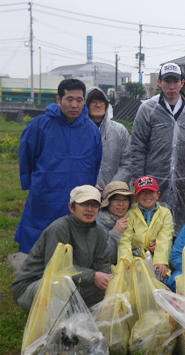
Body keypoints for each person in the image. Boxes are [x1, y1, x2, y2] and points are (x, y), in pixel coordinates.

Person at [15, 78, 102, 254]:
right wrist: (32, 183)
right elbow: (27, 156)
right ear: (58, 99)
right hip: (46, 191)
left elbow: (96, 162)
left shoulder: (91, 130)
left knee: (74, 235)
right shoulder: (40, 125)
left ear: (84, 101)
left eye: (79, 100)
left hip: (78, 193)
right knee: (40, 233)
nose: (74, 105)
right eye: (69, 99)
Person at [128, 62, 185, 235]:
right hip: (155, 183)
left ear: (182, 83)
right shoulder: (147, 109)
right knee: (154, 233)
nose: (171, 87)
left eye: (175, 81)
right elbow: (137, 148)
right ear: (159, 83)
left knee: (184, 232)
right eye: (167, 82)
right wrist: (137, 181)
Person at [12, 185, 112, 311]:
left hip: (74, 283)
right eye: (84, 204)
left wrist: (107, 277)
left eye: (94, 205)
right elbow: (56, 269)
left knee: (116, 283)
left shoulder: (98, 231)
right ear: (71, 207)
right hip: (35, 285)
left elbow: (103, 262)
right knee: (59, 286)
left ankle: (80, 317)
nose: (90, 209)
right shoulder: (59, 228)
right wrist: (93, 276)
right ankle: (62, 325)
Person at [118, 176, 174, 282]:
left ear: (158, 195)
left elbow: (165, 238)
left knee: (161, 279)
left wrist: (160, 261)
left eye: (151, 192)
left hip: (155, 259)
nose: (147, 195)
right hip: (135, 259)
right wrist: (127, 262)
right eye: (143, 192)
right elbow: (125, 241)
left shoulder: (165, 213)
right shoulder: (130, 214)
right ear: (136, 197)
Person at [86, 87, 131, 190]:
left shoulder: (119, 130)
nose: (98, 105)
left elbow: (128, 163)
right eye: (93, 102)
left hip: (115, 194)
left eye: (101, 101)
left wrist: (112, 187)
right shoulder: (79, 131)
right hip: (86, 193)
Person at [97, 181, 135, 265]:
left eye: (125, 199)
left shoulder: (135, 216)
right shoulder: (98, 223)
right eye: (116, 199)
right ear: (108, 202)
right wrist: (115, 233)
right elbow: (103, 259)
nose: (121, 204)